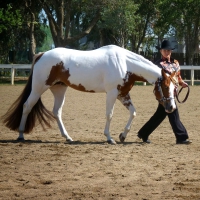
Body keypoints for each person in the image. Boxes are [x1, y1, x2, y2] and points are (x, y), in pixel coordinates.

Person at [137, 40, 192, 144]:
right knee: (173, 113)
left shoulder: (175, 63)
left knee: (159, 115)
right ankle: (181, 137)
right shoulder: (158, 64)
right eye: (165, 50)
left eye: (169, 50)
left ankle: (143, 133)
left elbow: (178, 77)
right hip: (165, 94)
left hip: (173, 93)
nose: (167, 52)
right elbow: (156, 79)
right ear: (161, 51)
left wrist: (182, 83)